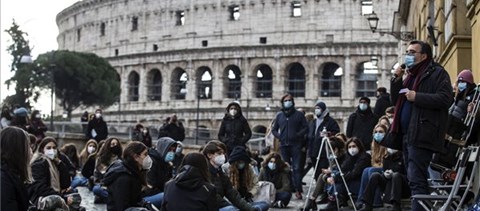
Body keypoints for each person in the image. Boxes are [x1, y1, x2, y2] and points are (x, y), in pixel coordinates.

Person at [389, 40, 453, 210]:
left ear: (424, 55)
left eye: (412, 52)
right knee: (413, 180)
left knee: (417, 180)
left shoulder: (437, 73)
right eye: (407, 52)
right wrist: (396, 80)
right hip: (407, 135)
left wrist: (417, 96)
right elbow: (396, 101)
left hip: (423, 134)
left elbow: (446, 98)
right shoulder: (410, 75)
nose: (408, 55)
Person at [202, 140, 264, 211]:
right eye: (219, 153)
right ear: (209, 155)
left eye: (223, 153)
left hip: (222, 206)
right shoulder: (204, 172)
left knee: (262, 205)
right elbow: (214, 197)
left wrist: (250, 209)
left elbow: (232, 194)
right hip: (209, 207)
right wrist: (232, 207)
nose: (222, 156)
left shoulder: (220, 173)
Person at [272, 94, 308, 199]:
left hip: (295, 145)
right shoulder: (279, 115)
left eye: (289, 100)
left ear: (293, 102)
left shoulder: (299, 115)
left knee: (296, 168)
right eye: (285, 100)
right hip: (283, 145)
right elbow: (274, 129)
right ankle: (287, 188)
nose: (288, 102)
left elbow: (305, 128)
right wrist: (279, 136)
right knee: (285, 168)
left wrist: (298, 135)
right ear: (282, 103)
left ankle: (298, 190)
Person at [102, 142, 157, 211]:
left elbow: (136, 200)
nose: (148, 158)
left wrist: (146, 205)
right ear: (136, 157)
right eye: (145, 154)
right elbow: (121, 207)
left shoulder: (134, 172)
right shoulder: (123, 177)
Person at [28, 137, 79, 210]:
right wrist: (62, 198)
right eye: (48, 148)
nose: (52, 150)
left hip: (56, 194)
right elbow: (41, 188)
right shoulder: (39, 163)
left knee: (76, 198)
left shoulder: (56, 163)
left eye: (54, 148)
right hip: (41, 198)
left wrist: (60, 164)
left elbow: (66, 184)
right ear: (42, 149)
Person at [322, 137, 371, 210]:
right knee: (335, 180)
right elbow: (342, 170)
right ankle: (334, 202)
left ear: (359, 147)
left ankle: (334, 203)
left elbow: (355, 173)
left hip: (359, 183)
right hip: (350, 181)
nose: (352, 149)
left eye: (354, 146)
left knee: (339, 183)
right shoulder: (348, 157)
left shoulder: (364, 157)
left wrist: (337, 178)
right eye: (349, 147)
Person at [303, 137, 346, 211]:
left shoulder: (343, 157)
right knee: (322, 175)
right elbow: (332, 168)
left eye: (330, 150)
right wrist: (329, 170)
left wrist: (330, 171)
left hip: (340, 177)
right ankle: (312, 200)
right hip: (333, 175)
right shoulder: (334, 157)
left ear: (335, 149)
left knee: (324, 176)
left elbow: (341, 170)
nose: (329, 152)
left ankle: (312, 201)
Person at [1, 126, 33, 211]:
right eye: (28, 146)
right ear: (18, 149)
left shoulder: (12, 175)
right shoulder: (4, 180)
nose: (31, 151)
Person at [356, 124, 388, 207]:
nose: (378, 134)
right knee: (366, 170)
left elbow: (387, 163)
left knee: (372, 171)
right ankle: (361, 200)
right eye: (376, 132)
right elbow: (373, 162)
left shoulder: (389, 146)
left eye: (381, 132)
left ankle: (376, 201)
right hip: (379, 168)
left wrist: (378, 165)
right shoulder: (375, 146)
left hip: (388, 170)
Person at [307, 101, 340, 179]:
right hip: (313, 151)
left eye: (318, 108)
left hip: (324, 152)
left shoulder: (330, 121)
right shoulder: (313, 122)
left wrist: (328, 134)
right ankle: (318, 186)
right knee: (316, 172)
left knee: (322, 171)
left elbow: (336, 132)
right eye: (315, 109)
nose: (317, 110)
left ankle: (323, 187)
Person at [145, 137, 178, 207]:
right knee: (168, 197)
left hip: (159, 193)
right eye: (169, 150)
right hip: (148, 196)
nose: (171, 153)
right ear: (163, 149)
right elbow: (149, 187)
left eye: (173, 150)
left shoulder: (166, 163)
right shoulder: (151, 162)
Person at [92, 137, 123, 202]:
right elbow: (104, 174)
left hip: (117, 184)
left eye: (116, 144)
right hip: (102, 183)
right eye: (112, 144)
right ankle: (115, 199)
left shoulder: (121, 159)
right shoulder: (101, 159)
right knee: (96, 189)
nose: (115, 146)